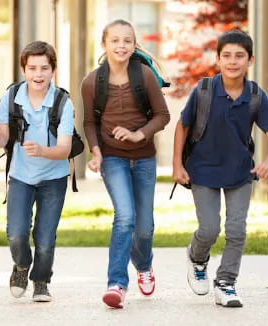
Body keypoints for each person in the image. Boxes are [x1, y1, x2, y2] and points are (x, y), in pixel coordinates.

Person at [172, 30, 268, 308]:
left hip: (240, 173)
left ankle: (226, 283)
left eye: (239, 56)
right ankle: (197, 258)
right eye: (227, 56)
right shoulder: (205, 90)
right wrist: (177, 165)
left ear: (250, 60)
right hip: (203, 171)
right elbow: (182, 126)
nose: (233, 61)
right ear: (218, 59)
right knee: (209, 229)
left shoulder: (256, 95)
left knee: (237, 230)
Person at [81, 19, 170, 308]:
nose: (121, 45)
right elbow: (89, 122)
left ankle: (144, 266)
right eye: (115, 40)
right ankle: (117, 283)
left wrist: (138, 134)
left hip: (144, 157)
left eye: (127, 41)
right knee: (125, 217)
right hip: (113, 157)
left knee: (144, 227)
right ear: (104, 44)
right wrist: (96, 152)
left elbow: (162, 116)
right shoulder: (92, 81)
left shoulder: (144, 76)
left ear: (134, 45)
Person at [0, 41, 73, 302]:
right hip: (21, 176)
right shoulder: (11, 98)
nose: (38, 74)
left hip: (53, 179)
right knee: (16, 233)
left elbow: (65, 149)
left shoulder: (63, 103)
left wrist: (42, 151)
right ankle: (22, 267)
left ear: (53, 70)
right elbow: (4, 137)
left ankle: (41, 281)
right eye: (32, 68)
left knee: (45, 239)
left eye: (44, 68)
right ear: (24, 69)